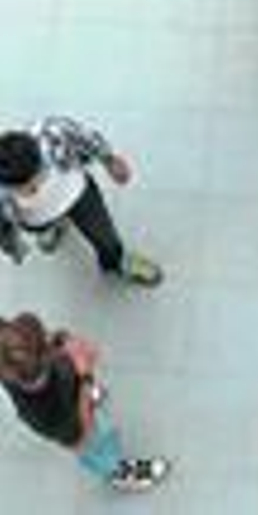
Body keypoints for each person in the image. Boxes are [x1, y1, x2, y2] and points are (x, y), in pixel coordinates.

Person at [0, 313, 169, 495]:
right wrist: (85, 377)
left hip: (69, 390)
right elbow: (83, 435)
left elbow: (39, 340)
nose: (53, 345)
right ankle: (122, 475)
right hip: (75, 422)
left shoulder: (11, 345)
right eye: (48, 348)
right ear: (44, 360)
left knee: (80, 396)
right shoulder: (40, 413)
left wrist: (65, 339)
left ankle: (86, 397)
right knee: (102, 453)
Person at [0, 119, 162, 286]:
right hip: (37, 218)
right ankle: (54, 227)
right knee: (43, 228)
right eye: (24, 189)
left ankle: (116, 261)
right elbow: (3, 227)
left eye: (37, 180)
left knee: (103, 233)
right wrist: (13, 247)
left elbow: (87, 139)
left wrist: (110, 160)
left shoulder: (53, 132)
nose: (34, 191)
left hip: (78, 195)